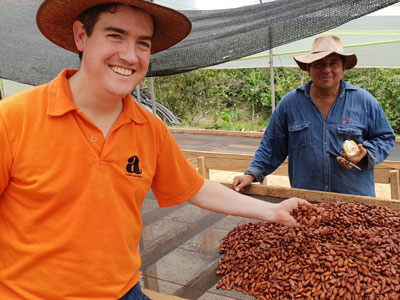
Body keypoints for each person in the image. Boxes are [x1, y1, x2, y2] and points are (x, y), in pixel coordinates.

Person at [0, 1, 318, 299]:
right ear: (81, 36)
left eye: (143, 43)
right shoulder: (13, 119)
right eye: (116, 36)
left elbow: (195, 188)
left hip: (122, 291)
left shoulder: (148, 128)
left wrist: (270, 211)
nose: (130, 55)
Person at [233, 35, 395, 197]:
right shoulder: (290, 104)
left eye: (334, 64)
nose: (326, 69)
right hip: (307, 202)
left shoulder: (364, 101)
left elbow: (385, 138)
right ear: (308, 69)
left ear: (344, 69)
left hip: (355, 202)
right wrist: (251, 174)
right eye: (319, 64)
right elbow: (271, 146)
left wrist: (365, 153)